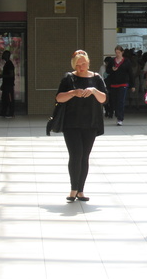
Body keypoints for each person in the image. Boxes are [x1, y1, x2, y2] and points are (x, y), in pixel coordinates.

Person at [55, 50, 107, 202]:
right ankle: (73, 189)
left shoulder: (96, 78)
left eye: (83, 63)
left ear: (88, 62)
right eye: (77, 65)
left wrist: (93, 91)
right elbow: (59, 97)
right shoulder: (69, 78)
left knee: (84, 156)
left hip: (90, 122)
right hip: (71, 123)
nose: (81, 67)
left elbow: (104, 98)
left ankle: (81, 190)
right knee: (76, 154)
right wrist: (73, 93)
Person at [105, 45, 135, 126]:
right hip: (114, 84)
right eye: (116, 52)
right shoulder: (112, 61)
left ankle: (120, 118)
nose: (117, 54)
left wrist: (132, 85)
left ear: (122, 52)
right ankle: (117, 113)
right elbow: (107, 71)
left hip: (123, 83)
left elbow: (130, 73)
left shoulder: (126, 61)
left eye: (119, 52)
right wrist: (112, 69)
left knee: (121, 101)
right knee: (114, 101)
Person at [0, 50, 15, 118]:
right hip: (6, 84)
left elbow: (11, 75)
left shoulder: (9, 64)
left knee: (9, 99)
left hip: (9, 85)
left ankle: (11, 113)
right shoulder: (6, 64)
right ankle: (3, 112)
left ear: (7, 55)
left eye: (4, 54)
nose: (2, 55)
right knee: (4, 99)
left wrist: (2, 76)